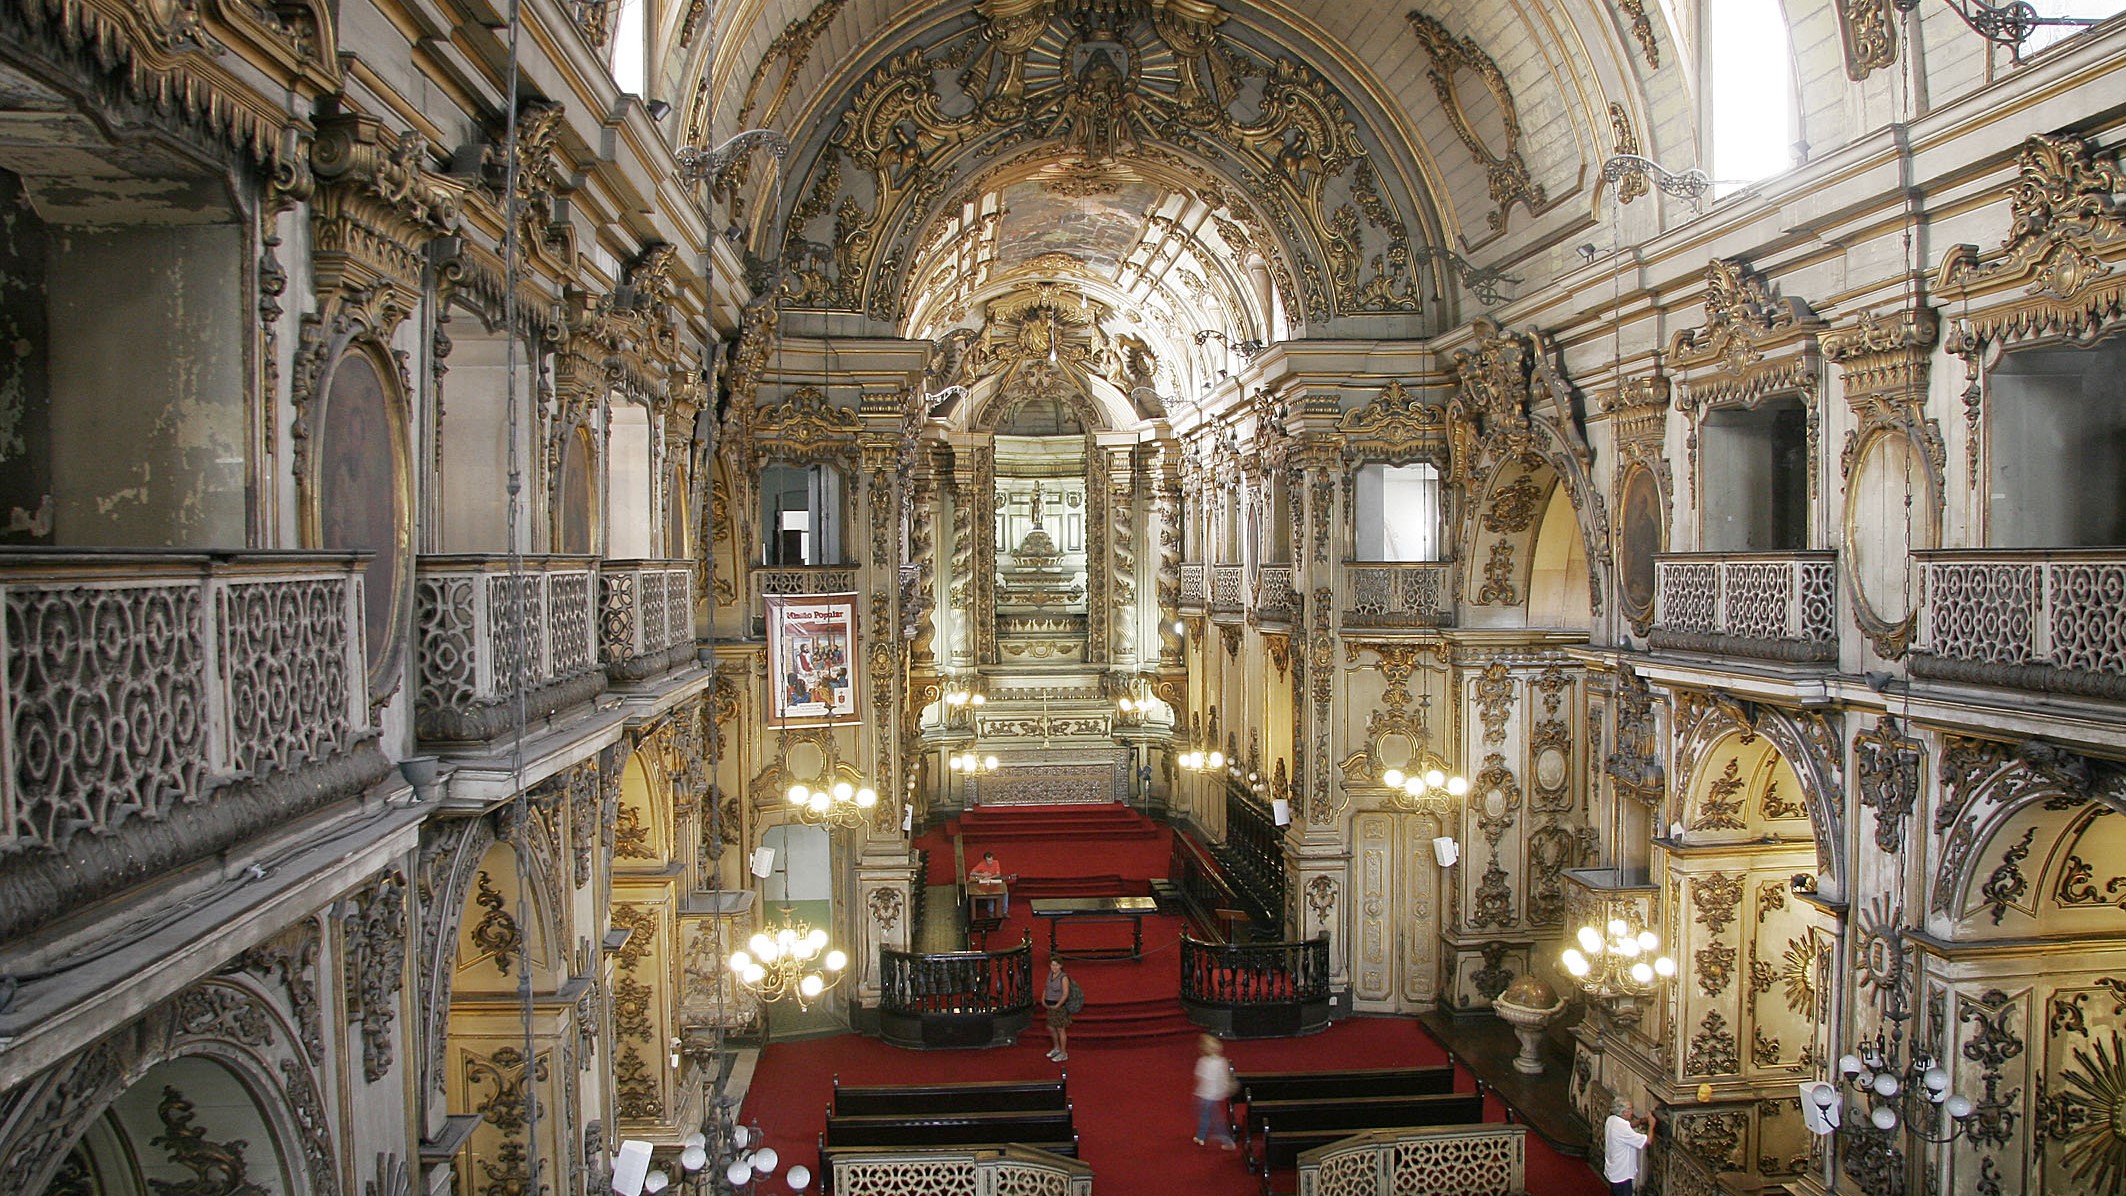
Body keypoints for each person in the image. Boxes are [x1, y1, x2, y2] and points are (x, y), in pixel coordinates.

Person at [1192, 1035, 1238, 1149]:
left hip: (1205, 1094)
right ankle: (1201, 1136)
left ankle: (1227, 1140)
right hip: (1214, 1094)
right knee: (1206, 1115)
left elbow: (1199, 1077)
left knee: (1212, 1118)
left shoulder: (1203, 1061)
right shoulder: (1222, 1061)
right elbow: (1224, 1078)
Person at [1603, 1097, 1653, 1195]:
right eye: (1630, 1109)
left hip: (1614, 1170)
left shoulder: (1612, 1119)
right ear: (1624, 1112)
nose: (1632, 1112)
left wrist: (1641, 1121)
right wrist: (1652, 1125)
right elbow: (1648, 1141)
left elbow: (1629, 1124)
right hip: (1622, 1174)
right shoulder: (1623, 1129)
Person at [1041, 958, 1080, 1062]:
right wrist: (1043, 999)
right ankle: (1056, 1047)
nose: (1054, 967)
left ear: (1061, 966)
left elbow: (1065, 993)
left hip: (1059, 1007)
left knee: (1060, 1029)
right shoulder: (1050, 975)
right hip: (1050, 1006)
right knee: (1051, 1027)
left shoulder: (1063, 977)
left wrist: (1058, 1005)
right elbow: (1046, 988)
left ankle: (1063, 1053)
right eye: (1052, 965)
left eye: (1056, 965)